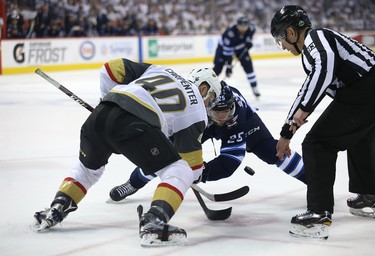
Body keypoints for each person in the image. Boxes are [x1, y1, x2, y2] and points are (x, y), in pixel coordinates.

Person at [32, 58, 222, 247]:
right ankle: (153, 221)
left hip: (101, 114)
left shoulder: (162, 70)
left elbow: (109, 69)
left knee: (88, 170)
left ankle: (57, 207)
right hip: (134, 125)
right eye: (211, 97)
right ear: (204, 89)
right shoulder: (197, 108)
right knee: (180, 171)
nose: (210, 103)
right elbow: (193, 169)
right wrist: (191, 173)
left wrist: (106, 103)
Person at [271, 5, 375, 240]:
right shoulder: (314, 50)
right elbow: (307, 89)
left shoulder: (316, 38)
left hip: (365, 89)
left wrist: (291, 128)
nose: (284, 47)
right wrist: (287, 129)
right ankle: (370, 196)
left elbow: (322, 75)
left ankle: (319, 213)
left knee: (317, 143)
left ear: (291, 32)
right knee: (359, 137)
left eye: (281, 40)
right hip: (366, 90)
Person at [109, 80, 306, 202]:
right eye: (217, 111)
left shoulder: (238, 117)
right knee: (165, 154)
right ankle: (133, 183)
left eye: (226, 110)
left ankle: (312, 177)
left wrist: (200, 173)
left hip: (244, 127)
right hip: (204, 124)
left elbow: (229, 163)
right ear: (207, 104)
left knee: (272, 151)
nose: (222, 116)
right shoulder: (196, 110)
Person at [213, 16, 260, 98]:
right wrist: (229, 67)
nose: (242, 27)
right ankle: (209, 84)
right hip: (223, 48)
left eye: (245, 25)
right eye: (240, 25)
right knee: (218, 68)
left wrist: (249, 41)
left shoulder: (251, 29)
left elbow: (251, 33)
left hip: (241, 48)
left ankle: (254, 88)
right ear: (237, 25)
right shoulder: (230, 34)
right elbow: (228, 53)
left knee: (248, 66)